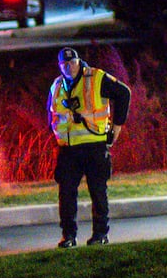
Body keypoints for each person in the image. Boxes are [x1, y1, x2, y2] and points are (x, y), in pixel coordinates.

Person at [48, 47, 131, 247]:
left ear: (79, 61)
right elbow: (51, 114)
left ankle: (100, 234)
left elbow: (123, 93)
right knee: (66, 193)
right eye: (65, 65)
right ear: (60, 66)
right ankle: (68, 236)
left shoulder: (95, 77)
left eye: (72, 63)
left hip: (94, 145)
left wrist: (116, 127)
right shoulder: (57, 85)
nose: (69, 67)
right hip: (69, 149)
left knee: (98, 191)